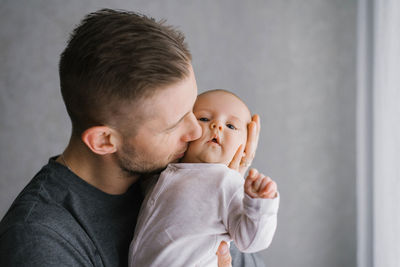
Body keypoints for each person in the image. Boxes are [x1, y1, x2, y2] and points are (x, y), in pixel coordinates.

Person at [0, 9, 264, 267]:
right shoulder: (41, 241)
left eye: (192, 111)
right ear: (104, 141)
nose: (196, 131)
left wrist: (225, 188)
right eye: (174, 125)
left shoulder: (187, 177)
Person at [129, 89, 279, 266]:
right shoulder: (166, 172)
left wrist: (259, 205)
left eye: (231, 126)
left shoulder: (228, 183)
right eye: (204, 119)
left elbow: (251, 242)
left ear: (245, 148)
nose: (217, 126)